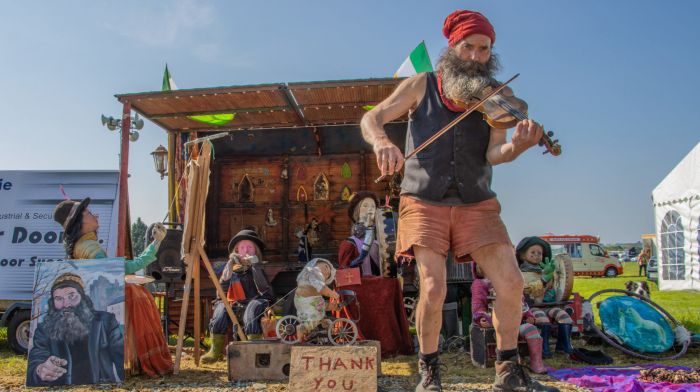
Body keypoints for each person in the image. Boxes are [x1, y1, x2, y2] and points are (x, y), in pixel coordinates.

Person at [361, 10, 557, 392]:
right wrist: (382, 141)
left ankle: (508, 373)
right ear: (453, 47)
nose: (475, 56)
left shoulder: (495, 98)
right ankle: (430, 372)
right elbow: (373, 118)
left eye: (484, 49)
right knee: (433, 287)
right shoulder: (422, 85)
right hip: (423, 199)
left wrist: (516, 144)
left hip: (476, 201)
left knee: (512, 282)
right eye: (468, 47)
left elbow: (496, 154)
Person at [52, 198, 173, 378]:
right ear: (80, 222)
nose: (95, 215)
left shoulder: (83, 245)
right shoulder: (89, 246)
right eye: (89, 213)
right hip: (99, 304)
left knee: (135, 291)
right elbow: (124, 269)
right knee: (138, 293)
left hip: (93, 304)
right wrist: (155, 244)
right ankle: (142, 360)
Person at [27, 273, 124, 386]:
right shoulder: (44, 329)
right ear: (52, 303)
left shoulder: (106, 321)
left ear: (82, 297)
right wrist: (40, 369)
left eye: (71, 296)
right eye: (59, 299)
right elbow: (36, 358)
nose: (66, 304)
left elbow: (120, 356)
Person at [201, 229, 274, 363]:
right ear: (236, 251)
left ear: (255, 250)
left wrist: (255, 266)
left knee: (251, 311)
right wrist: (228, 273)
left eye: (249, 247)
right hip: (233, 302)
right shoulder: (230, 268)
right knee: (221, 309)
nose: (245, 250)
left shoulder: (258, 267)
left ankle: (254, 350)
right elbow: (221, 293)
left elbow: (264, 291)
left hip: (256, 300)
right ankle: (215, 350)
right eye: (242, 247)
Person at [471, 264, 547, 374]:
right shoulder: (480, 284)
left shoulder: (510, 282)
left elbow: (522, 302)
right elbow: (477, 304)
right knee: (503, 335)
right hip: (496, 322)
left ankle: (536, 362)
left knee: (531, 329)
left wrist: (529, 315)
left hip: (517, 321)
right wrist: (481, 317)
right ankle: (512, 360)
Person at [516, 237, 574, 357]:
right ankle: (544, 349)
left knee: (565, 317)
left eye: (540, 253)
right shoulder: (520, 274)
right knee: (543, 318)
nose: (537, 256)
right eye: (533, 253)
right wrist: (543, 279)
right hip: (530, 307)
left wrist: (550, 279)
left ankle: (564, 347)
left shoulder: (546, 272)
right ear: (522, 256)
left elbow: (553, 287)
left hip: (547, 305)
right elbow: (525, 289)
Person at [294, 257, 340, 342]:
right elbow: (321, 287)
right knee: (313, 317)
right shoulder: (312, 272)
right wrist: (331, 293)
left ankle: (327, 331)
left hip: (311, 299)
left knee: (322, 314)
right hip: (306, 299)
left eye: (327, 275)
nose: (326, 271)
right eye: (326, 266)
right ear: (316, 263)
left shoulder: (314, 276)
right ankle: (302, 329)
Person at [337, 191, 381, 276]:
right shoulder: (349, 244)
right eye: (365, 205)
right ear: (357, 211)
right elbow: (344, 272)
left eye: (373, 206)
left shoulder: (378, 243)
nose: (370, 209)